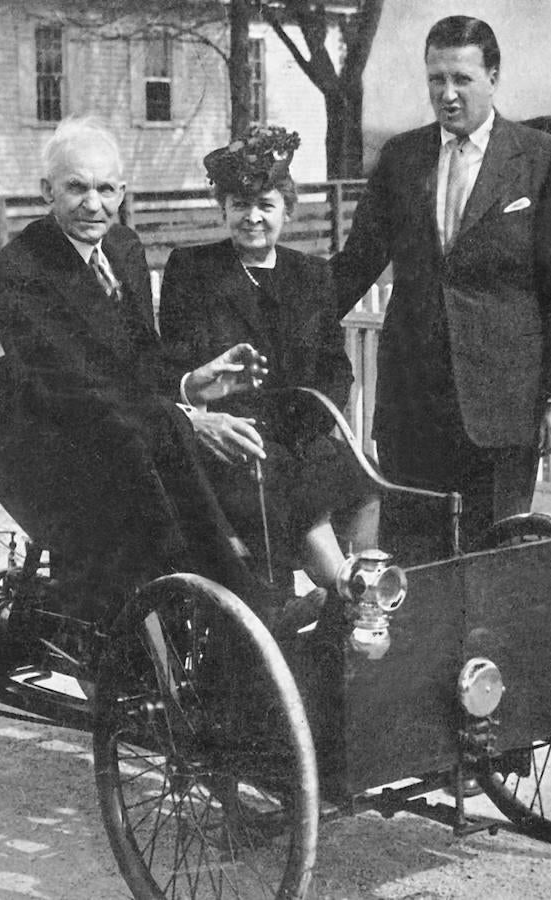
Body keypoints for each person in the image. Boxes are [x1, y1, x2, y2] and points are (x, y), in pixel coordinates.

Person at [0, 115, 303, 623]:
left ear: (123, 191)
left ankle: (234, 613)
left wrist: (189, 383)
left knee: (247, 447)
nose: (93, 204)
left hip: (131, 434)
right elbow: (73, 388)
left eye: (106, 188)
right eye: (76, 188)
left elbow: (140, 359)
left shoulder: (123, 249)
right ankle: (244, 602)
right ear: (47, 191)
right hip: (56, 453)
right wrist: (183, 420)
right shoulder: (20, 270)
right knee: (181, 448)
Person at [331, 16, 551, 552]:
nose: (447, 95)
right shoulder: (401, 158)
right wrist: (283, 317)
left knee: (491, 560)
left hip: (501, 408)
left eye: (462, 79)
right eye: (435, 80)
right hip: (412, 404)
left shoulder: (541, 158)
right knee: (413, 559)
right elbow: (355, 266)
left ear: (493, 78)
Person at [159, 125, 374, 593]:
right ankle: (346, 591)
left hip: (302, 431)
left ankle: (362, 582)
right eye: (240, 205)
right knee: (291, 482)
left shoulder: (312, 275)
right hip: (229, 440)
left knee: (366, 478)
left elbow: (336, 367)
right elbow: (171, 364)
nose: (253, 217)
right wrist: (202, 403)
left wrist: (316, 419)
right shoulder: (193, 271)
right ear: (224, 210)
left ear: (288, 212)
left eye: (266, 206)